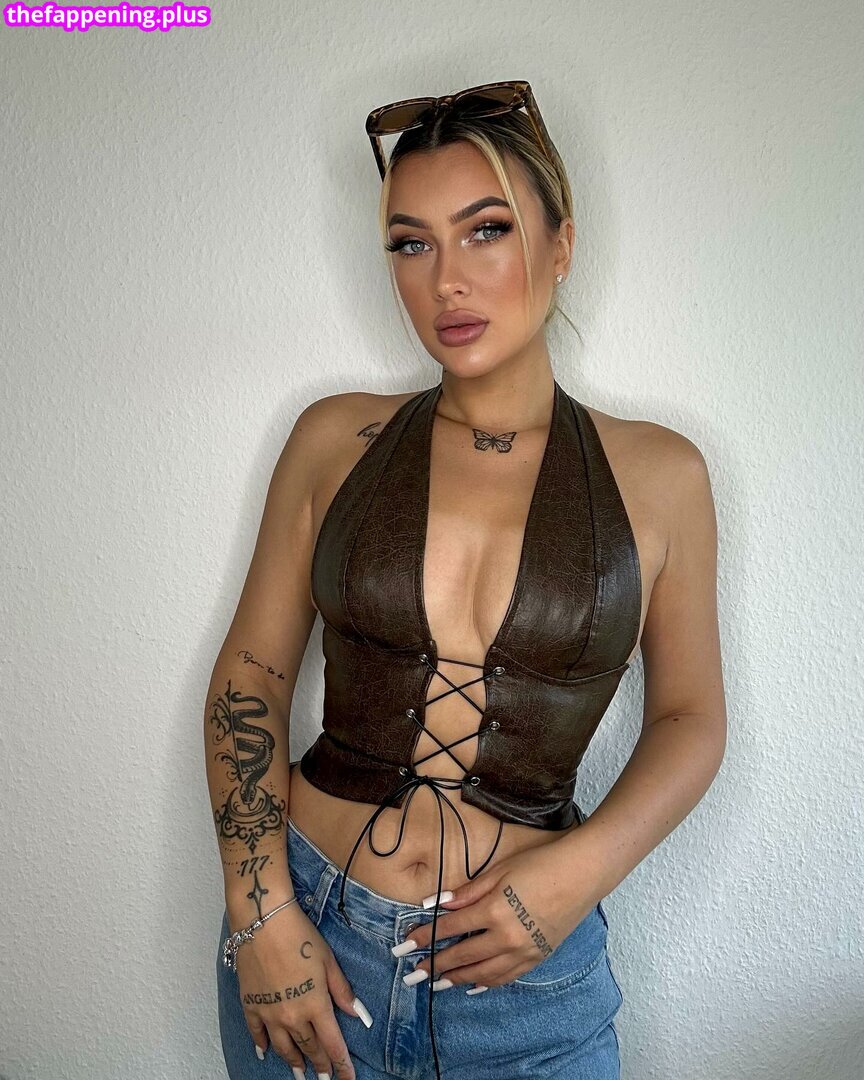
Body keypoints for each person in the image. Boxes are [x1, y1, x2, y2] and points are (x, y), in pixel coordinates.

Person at [207, 81, 727, 1080]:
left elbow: (691, 718)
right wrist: (258, 911)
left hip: (525, 982)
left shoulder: (661, 476)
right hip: (306, 944)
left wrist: (578, 875)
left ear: (561, 245)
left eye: (486, 230)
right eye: (411, 244)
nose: (447, 280)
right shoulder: (335, 440)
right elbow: (252, 677)